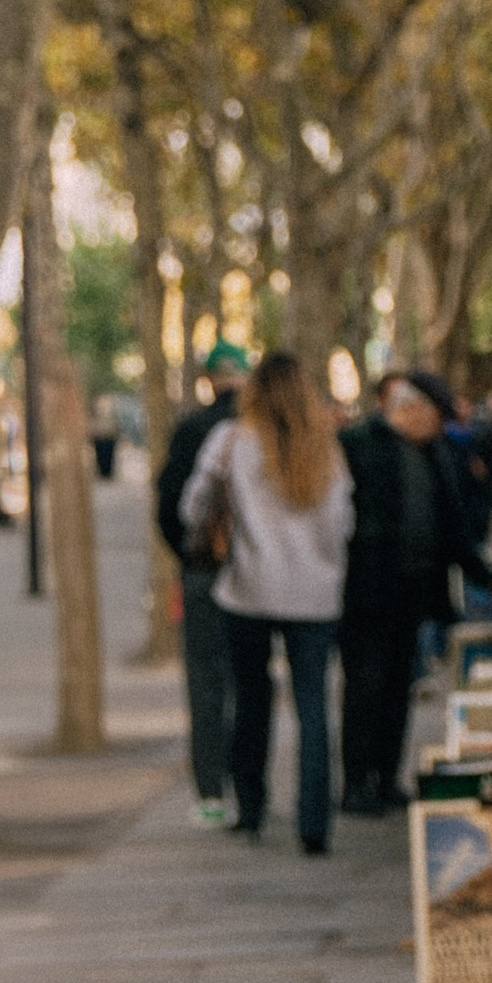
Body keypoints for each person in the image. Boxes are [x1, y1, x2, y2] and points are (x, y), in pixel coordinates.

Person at [179, 353, 355, 855]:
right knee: (314, 708)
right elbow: (342, 521)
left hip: (247, 590)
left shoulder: (231, 441)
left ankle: (251, 810)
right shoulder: (327, 448)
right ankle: (313, 824)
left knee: (251, 703)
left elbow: (192, 505)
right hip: (316, 596)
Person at [338, 371, 492, 814]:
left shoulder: (435, 454)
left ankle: (387, 777)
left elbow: (452, 523)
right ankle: (357, 783)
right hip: (367, 591)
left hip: (414, 589)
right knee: (364, 688)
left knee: (397, 687)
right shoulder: (361, 445)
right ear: (411, 410)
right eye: (434, 416)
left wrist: (482, 574)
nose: (440, 426)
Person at [156, 339, 249, 825]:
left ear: (210, 379)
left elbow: (171, 503)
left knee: (206, 679)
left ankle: (211, 791)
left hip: (204, 570)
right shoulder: (264, 429)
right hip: (257, 574)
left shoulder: (192, 428)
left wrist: (189, 555)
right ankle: (250, 786)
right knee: (251, 679)